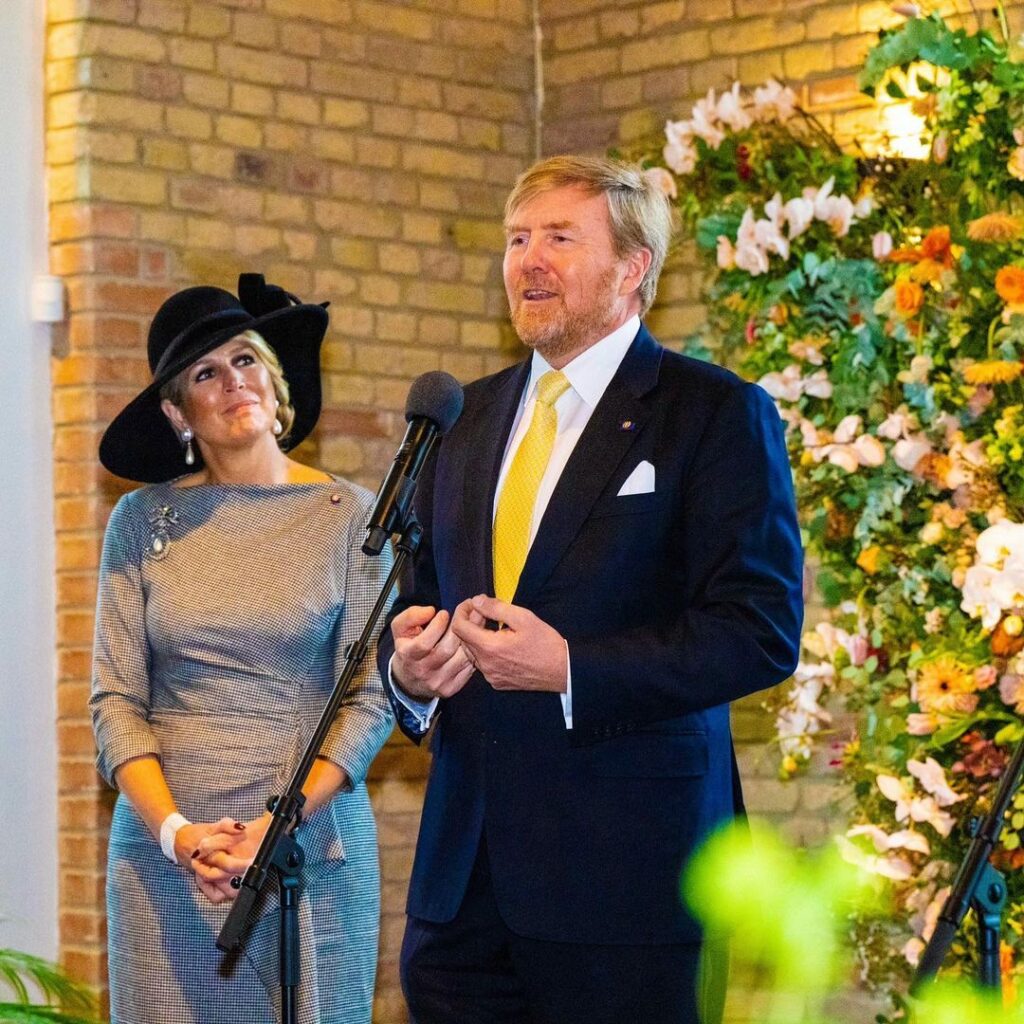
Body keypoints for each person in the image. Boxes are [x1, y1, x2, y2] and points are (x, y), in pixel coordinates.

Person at [377, 156, 804, 1024]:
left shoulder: (712, 413)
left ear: (632, 267)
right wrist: (410, 675)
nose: (529, 260)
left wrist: (573, 667)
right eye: (517, 239)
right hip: (463, 887)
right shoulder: (460, 418)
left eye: (560, 238)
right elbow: (416, 602)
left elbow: (758, 629)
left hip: (629, 881)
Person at [90, 274, 394, 1024]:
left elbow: (372, 696)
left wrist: (277, 828)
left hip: (308, 850)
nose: (233, 382)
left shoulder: (354, 518)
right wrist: (179, 836)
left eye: (245, 359)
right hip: (165, 856)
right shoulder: (140, 522)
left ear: (275, 378)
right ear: (176, 412)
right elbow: (115, 701)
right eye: (205, 373)